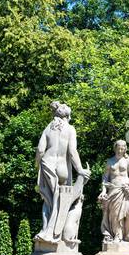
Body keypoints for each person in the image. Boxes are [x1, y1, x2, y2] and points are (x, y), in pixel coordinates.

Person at [36, 101, 90, 246]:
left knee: (49, 202)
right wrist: (80, 170)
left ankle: (47, 231)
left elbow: (40, 150)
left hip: (48, 165)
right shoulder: (70, 129)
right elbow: (72, 151)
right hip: (62, 169)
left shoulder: (48, 129)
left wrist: (37, 166)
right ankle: (56, 235)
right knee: (60, 201)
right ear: (68, 116)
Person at [98, 139, 129, 245]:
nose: (120, 150)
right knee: (115, 215)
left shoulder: (128, 161)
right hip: (114, 190)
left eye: (122, 148)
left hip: (126, 191)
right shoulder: (110, 162)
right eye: (118, 148)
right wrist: (103, 190)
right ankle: (118, 235)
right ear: (115, 148)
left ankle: (127, 234)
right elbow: (105, 178)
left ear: (125, 149)